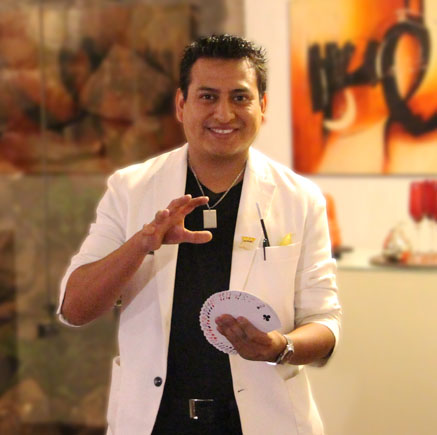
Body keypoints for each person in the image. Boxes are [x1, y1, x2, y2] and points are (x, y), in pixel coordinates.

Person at [58, 34, 341, 435]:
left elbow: (324, 322)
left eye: (240, 98)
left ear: (262, 106)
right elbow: (74, 309)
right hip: (155, 420)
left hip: (265, 420)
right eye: (208, 97)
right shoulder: (131, 189)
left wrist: (280, 348)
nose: (224, 114)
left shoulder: (300, 198)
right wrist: (142, 244)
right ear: (181, 104)